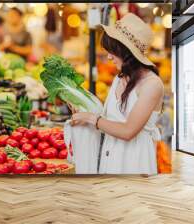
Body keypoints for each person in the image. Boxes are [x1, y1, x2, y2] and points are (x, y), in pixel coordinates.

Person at [70, 13, 164, 175]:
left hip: (134, 161)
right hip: (110, 157)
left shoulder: (152, 84)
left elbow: (128, 131)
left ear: (127, 52)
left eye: (112, 51)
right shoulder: (119, 78)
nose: (108, 56)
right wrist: (83, 115)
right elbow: (109, 121)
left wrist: (91, 118)